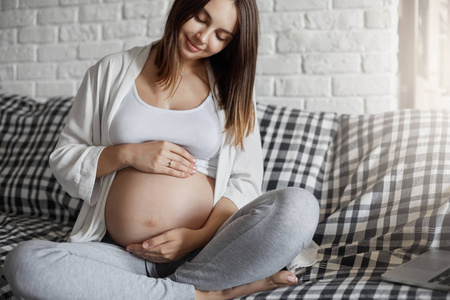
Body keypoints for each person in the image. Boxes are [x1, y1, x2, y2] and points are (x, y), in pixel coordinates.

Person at [4, 0, 320, 299]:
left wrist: (197, 237)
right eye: (201, 18)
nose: (203, 37)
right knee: (25, 262)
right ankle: (203, 294)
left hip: (210, 251)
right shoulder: (111, 71)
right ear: (184, 6)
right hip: (123, 255)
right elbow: (65, 157)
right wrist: (127, 154)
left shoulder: (232, 89)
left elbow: (244, 180)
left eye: (221, 36)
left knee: (300, 206)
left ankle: (169, 290)